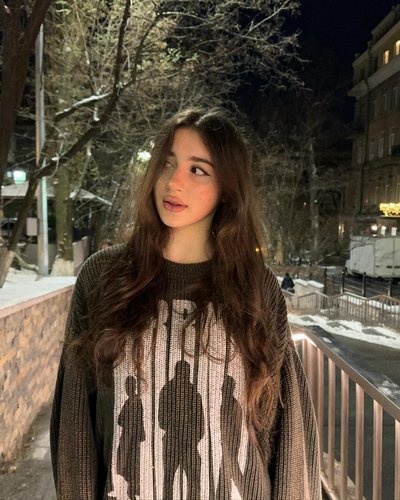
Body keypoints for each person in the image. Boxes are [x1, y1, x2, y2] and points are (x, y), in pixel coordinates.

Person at [50, 108, 321, 499]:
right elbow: (75, 424)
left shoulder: (254, 287)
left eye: (198, 170)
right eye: (167, 162)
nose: (173, 182)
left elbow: (288, 431)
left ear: (227, 187)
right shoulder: (103, 277)